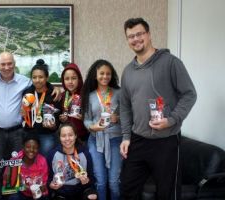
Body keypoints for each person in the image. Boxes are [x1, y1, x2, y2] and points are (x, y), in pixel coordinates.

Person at [120, 18, 197, 200]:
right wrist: (126, 137)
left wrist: (171, 120)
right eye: (131, 36)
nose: (136, 39)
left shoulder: (170, 62)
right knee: (128, 189)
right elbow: (124, 106)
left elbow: (189, 94)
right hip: (138, 140)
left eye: (139, 34)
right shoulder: (128, 71)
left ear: (149, 34)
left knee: (167, 193)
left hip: (166, 141)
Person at [0, 52, 61, 200]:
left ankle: (15, 197)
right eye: (3, 64)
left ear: (14, 64)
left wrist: (55, 88)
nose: (6, 67)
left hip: (18, 132)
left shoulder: (24, 81)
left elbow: (40, 83)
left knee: (17, 168)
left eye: (9, 63)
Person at [81, 59, 122, 200]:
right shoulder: (89, 95)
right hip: (95, 140)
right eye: (102, 73)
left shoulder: (119, 93)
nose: (105, 76)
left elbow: (129, 116)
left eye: (108, 74)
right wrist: (93, 127)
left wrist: (118, 118)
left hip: (116, 139)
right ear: (95, 75)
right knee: (100, 181)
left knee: (114, 182)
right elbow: (86, 119)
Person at [47, 123, 97, 200]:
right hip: (61, 192)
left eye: (70, 135)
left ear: (75, 136)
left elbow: (91, 178)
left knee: (92, 197)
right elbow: (49, 178)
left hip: (81, 190)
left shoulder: (85, 154)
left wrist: (87, 181)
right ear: (59, 137)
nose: (67, 139)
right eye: (63, 136)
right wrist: (50, 185)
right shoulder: (52, 154)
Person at [22, 59, 60, 156]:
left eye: (41, 77)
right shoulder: (27, 93)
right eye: (34, 77)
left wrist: (54, 126)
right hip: (29, 134)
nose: (37, 80)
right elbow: (24, 115)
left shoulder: (53, 94)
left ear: (47, 78)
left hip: (47, 135)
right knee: (30, 161)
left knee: (45, 161)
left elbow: (58, 116)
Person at [7, 134, 49, 200]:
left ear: (38, 149)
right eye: (28, 147)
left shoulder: (42, 161)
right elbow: (9, 187)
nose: (31, 150)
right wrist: (21, 187)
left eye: (35, 147)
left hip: (37, 194)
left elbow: (44, 186)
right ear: (23, 147)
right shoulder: (15, 160)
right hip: (21, 193)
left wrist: (41, 188)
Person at [59, 63, 88, 142]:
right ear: (63, 80)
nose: (70, 82)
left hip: (83, 137)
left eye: (74, 78)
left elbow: (92, 116)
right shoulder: (62, 96)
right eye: (67, 79)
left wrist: (84, 118)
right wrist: (61, 118)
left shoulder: (85, 95)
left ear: (79, 79)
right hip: (67, 138)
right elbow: (58, 115)